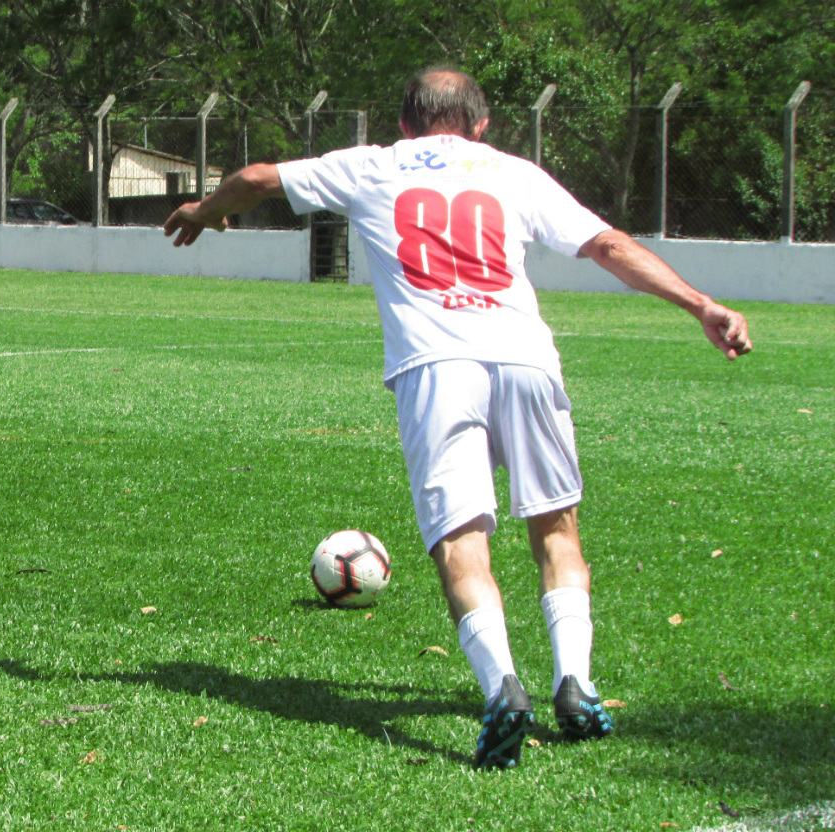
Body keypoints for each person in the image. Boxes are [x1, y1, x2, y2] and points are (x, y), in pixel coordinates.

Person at [164, 67, 752, 769]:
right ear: (480, 124)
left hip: (436, 368)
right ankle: (576, 683)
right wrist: (702, 306)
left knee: (460, 541)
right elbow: (610, 246)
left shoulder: (373, 166)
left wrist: (206, 211)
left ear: (406, 123)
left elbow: (258, 176)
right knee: (557, 530)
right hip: (526, 359)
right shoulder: (515, 173)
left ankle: (502, 686)